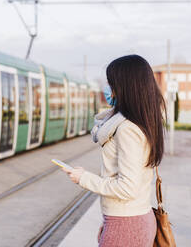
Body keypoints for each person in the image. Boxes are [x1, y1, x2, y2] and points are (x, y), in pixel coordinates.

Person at [62, 55, 167, 247]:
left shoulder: (127, 129)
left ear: (126, 87)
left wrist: (83, 178)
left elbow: (127, 187)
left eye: (112, 83)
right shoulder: (142, 122)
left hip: (127, 222)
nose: (109, 88)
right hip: (130, 219)